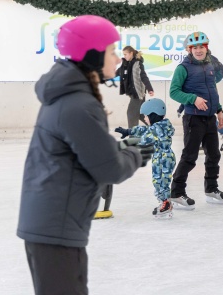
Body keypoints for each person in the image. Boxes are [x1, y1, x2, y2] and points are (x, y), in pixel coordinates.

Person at [17, 15, 153, 295]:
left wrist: (123, 149)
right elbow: (109, 170)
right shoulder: (78, 104)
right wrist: (136, 153)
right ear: (91, 54)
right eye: (112, 52)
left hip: (53, 222)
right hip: (56, 227)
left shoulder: (69, 96)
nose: (117, 59)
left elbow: (90, 153)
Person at [169, 31, 223, 208]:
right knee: (190, 156)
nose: (199, 50)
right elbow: (174, 92)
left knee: (214, 155)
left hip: (210, 118)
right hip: (193, 119)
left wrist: (219, 110)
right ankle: (177, 192)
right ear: (189, 49)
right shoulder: (183, 68)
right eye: (195, 47)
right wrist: (193, 99)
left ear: (206, 48)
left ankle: (211, 189)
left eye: (202, 46)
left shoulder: (209, 66)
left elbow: (212, 91)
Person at [116, 98, 176, 218]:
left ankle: (166, 204)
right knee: (159, 181)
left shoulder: (157, 129)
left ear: (153, 114)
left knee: (161, 182)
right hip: (163, 157)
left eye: (146, 116)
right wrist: (128, 131)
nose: (144, 118)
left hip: (163, 159)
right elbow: (144, 129)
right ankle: (164, 202)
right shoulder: (160, 126)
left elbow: (143, 140)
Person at [118, 46, 154, 128]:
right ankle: (156, 128)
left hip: (137, 93)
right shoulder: (127, 63)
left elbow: (143, 76)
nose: (124, 56)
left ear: (131, 53)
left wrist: (149, 88)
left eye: (125, 54)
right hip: (134, 93)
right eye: (123, 54)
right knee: (140, 114)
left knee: (131, 113)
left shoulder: (138, 64)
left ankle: (133, 136)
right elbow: (119, 71)